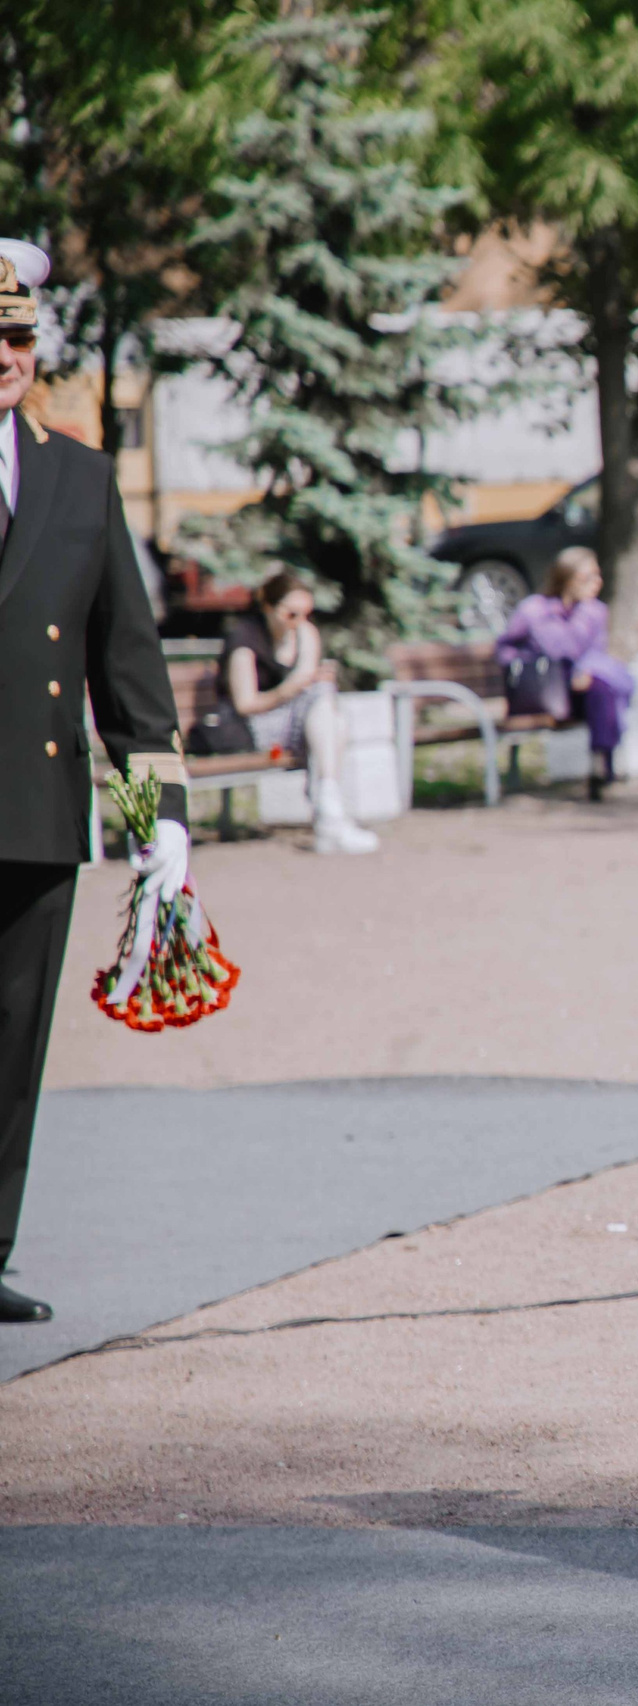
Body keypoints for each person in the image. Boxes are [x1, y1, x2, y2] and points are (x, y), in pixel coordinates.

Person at [0, 237, 192, 1324]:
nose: (5, 354)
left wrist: (155, 819)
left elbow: (127, 670)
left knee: (11, 1046)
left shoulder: (79, 476)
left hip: (34, 810)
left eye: (19, 336)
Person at [221, 572, 379, 855]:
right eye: (291, 613)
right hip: (253, 726)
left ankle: (328, 809)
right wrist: (293, 688)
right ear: (268, 607)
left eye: (307, 613)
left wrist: (314, 681)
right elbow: (245, 704)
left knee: (330, 712)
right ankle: (329, 811)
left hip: (299, 724)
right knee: (330, 715)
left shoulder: (304, 632)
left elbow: (309, 679)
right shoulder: (245, 638)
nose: (299, 621)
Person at [495, 547, 634, 799]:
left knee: (601, 687)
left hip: (574, 693)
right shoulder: (534, 611)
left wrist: (584, 671)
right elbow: (506, 649)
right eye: (589, 576)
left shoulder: (594, 611)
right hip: (541, 691)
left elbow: (594, 652)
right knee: (599, 690)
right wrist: (536, 665)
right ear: (568, 578)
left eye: (598, 576)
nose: (597, 583)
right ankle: (603, 764)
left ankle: (599, 766)